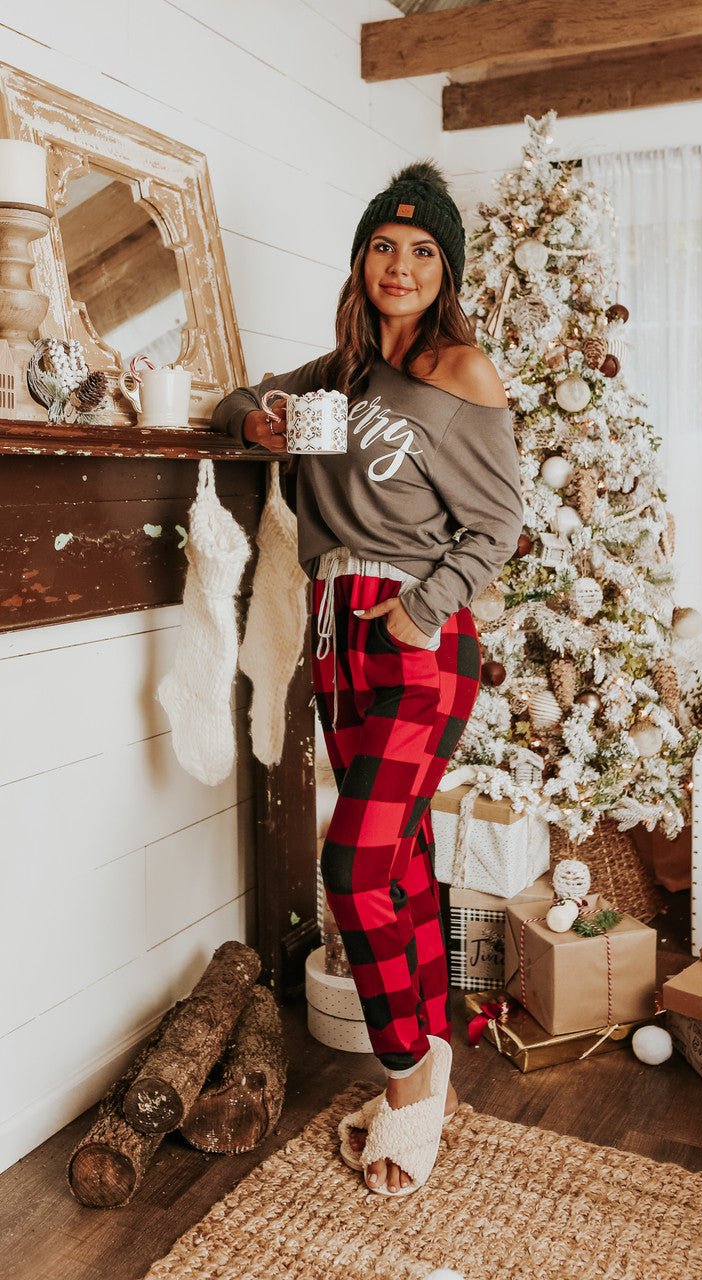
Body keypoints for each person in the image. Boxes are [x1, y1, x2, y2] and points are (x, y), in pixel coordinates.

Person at [212, 160, 523, 1196]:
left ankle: (405, 1081)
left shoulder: (458, 370)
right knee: (396, 865)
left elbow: (498, 521)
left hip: (416, 640)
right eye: (385, 246)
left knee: (350, 867)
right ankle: (427, 1063)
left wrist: (417, 612)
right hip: (336, 640)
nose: (400, 264)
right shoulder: (339, 379)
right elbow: (235, 402)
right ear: (361, 259)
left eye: (422, 251)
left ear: (446, 270)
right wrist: (260, 418)